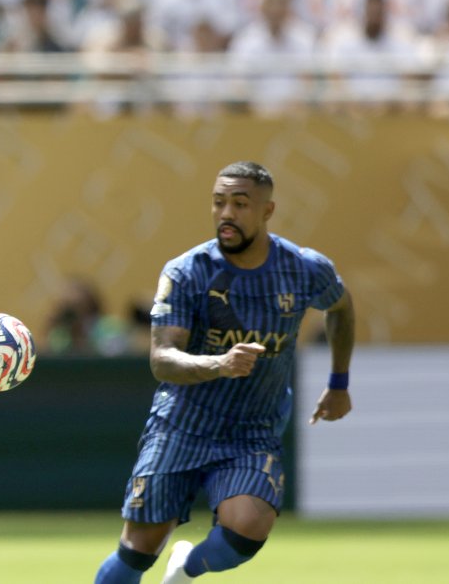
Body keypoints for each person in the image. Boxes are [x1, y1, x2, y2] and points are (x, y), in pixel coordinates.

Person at [94, 161, 355, 584]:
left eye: (240, 204)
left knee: (248, 527)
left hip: (252, 430)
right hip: (181, 424)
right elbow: (162, 359)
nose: (226, 214)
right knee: (139, 550)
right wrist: (219, 364)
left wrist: (338, 382)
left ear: (267, 211)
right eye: (219, 203)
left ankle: (185, 571)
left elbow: (341, 308)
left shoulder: (304, 269)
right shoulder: (187, 272)